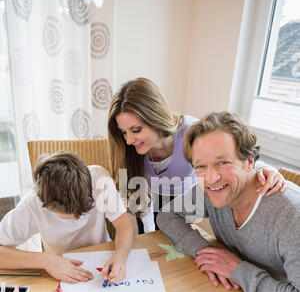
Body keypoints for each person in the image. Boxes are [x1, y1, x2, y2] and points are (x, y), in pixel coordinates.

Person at [156, 111, 300, 292]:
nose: (211, 178)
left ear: (249, 162)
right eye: (200, 166)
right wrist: (207, 254)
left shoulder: (290, 216)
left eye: (223, 162)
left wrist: (236, 269)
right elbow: (167, 216)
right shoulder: (212, 189)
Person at [107, 77, 287, 233]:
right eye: (124, 132)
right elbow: (136, 200)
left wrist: (265, 168)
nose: (129, 140)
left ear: (155, 117)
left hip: (188, 200)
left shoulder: (191, 132)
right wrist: (146, 231)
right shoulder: (128, 149)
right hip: (149, 198)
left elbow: (237, 158)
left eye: (136, 130)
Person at [0, 151, 134, 284]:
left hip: (103, 257)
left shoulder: (99, 179)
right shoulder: (31, 206)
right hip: (61, 270)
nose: (77, 220)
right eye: (69, 216)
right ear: (46, 205)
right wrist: (45, 260)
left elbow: (123, 224)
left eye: (83, 212)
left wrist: (120, 257)